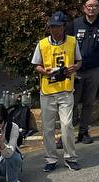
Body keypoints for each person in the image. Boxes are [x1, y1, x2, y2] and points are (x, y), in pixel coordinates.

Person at [33, 11, 82, 172]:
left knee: (67, 125)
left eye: (58, 27)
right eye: (52, 27)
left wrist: (75, 67)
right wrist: (45, 71)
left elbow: (79, 61)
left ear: (64, 27)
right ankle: (51, 158)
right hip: (47, 91)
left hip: (66, 89)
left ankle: (70, 157)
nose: (55, 30)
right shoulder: (42, 44)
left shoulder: (72, 42)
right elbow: (36, 65)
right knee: (47, 127)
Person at [71, 0, 99, 145]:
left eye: (95, 6)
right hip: (75, 71)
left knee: (89, 103)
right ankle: (67, 134)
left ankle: (84, 132)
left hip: (95, 70)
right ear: (84, 8)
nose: (92, 8)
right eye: (89, 6)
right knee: (71, 103)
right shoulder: (74, 24)